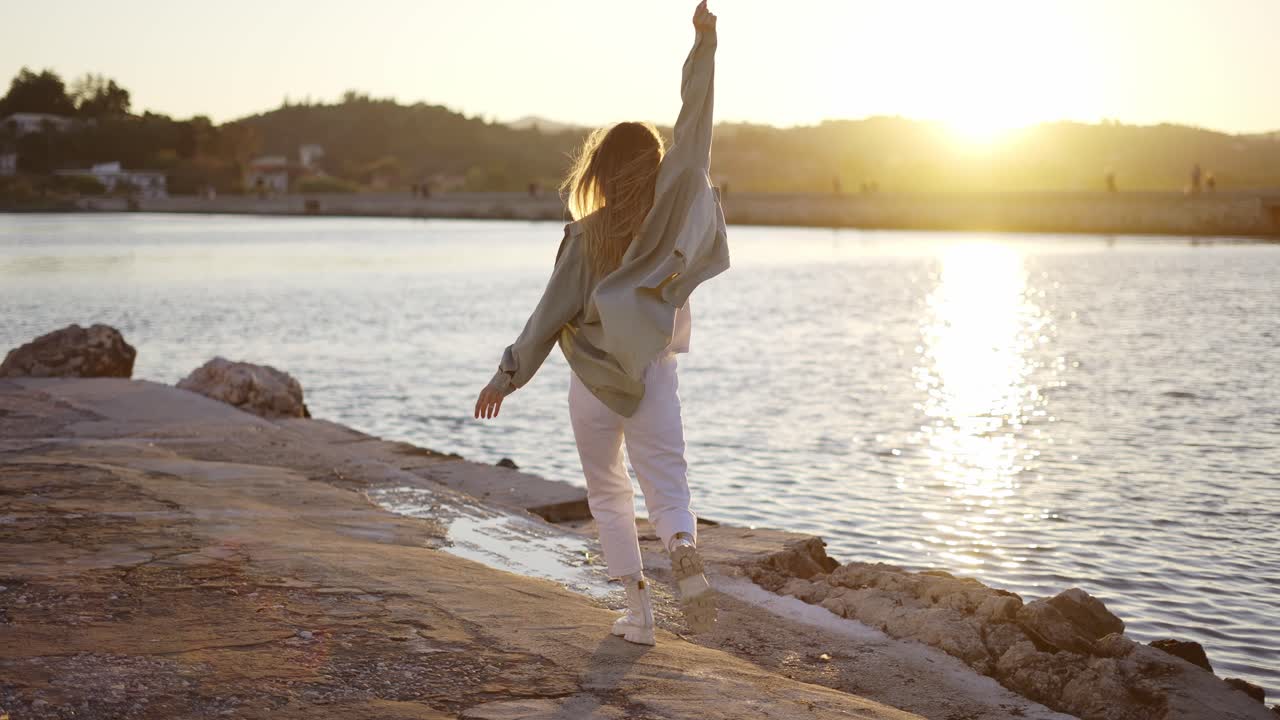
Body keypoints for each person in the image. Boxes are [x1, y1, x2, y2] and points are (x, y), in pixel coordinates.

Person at [474, 1, 728, 646]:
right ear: (655, 162)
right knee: (666, 482)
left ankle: (638, 614)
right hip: (652, 374)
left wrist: (506, 378)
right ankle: (681, 544)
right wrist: (704, 44)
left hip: (591, 381)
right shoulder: (673, 211)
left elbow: (549, 312)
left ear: (600, 170)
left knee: (608, 493)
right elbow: (695, 121)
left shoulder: (585, 236)